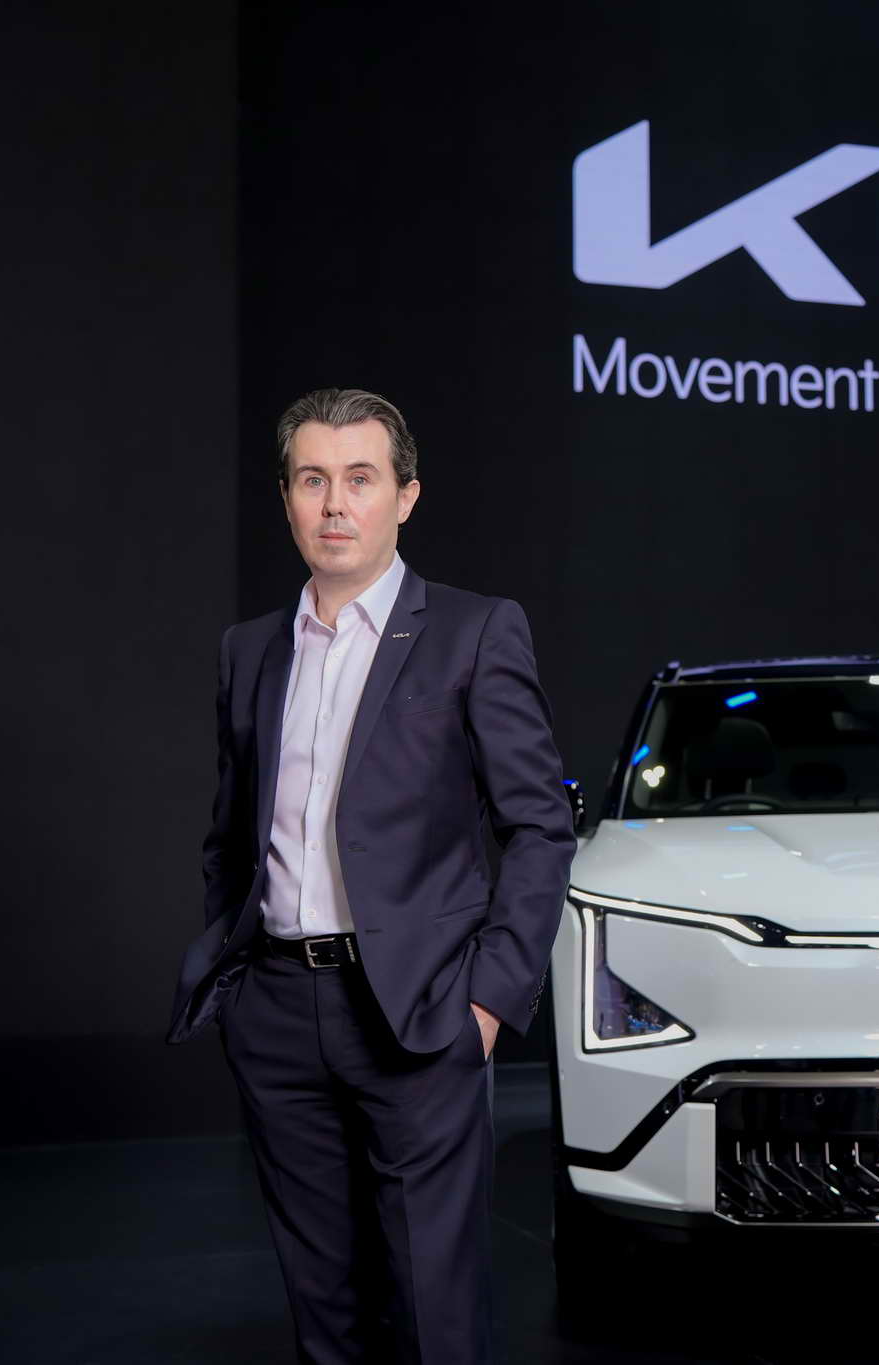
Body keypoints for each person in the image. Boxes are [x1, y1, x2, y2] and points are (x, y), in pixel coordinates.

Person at [167, 388, 574, 1363]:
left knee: (435, 1308)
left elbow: (539, 825)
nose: (335, 503)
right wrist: (234, 982)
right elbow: (231, 835)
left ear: (406, 496)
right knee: (324, 1310)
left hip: (419, 1013)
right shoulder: (249, 651)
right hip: (275, 1010)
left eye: (360, 478)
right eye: (312, 480)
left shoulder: (474, 631)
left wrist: (488, 1002)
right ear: (287, 498)